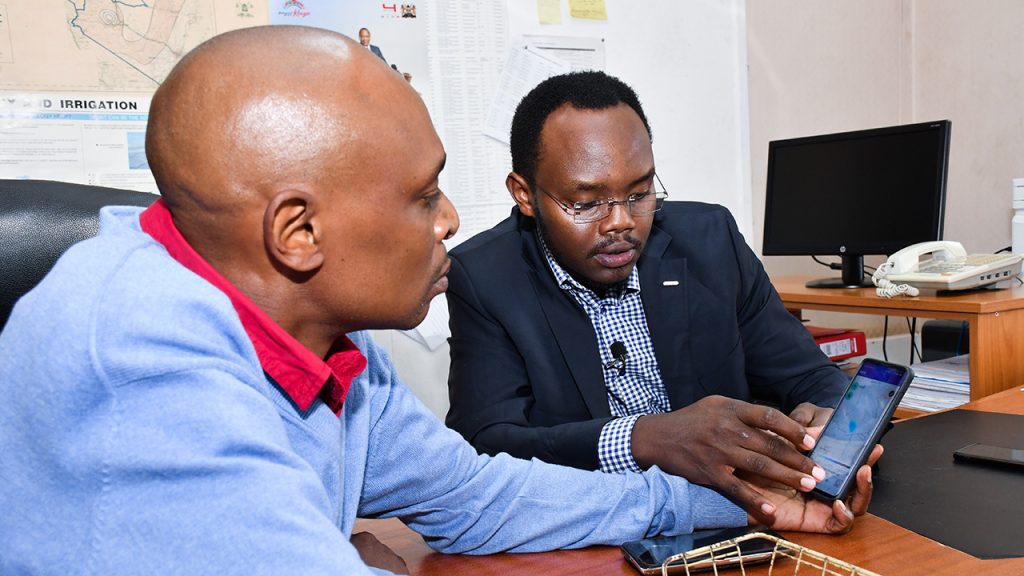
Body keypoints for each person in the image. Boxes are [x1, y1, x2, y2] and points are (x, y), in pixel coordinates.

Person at [0, 28, 871, 576]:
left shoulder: (324, 336)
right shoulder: (143, 371)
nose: (451, 221)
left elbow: (476, 496)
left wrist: (741, 506)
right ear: (297, 233)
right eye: (423, 197)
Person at [446, 71, 859, 516]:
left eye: (640, 193)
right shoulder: (484, 276)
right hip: (597, 528)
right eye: (586, 203)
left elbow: (811, 379)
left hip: (743, 514)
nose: (620, 222)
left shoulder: (711, 241)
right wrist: (641, 438)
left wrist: (828, 427)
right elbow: (485, 445)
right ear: (525, 194)